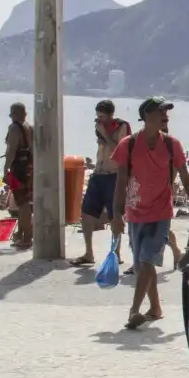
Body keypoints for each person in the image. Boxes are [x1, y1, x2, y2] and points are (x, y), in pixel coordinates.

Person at [112, 97, 189, 329]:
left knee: (147, 259)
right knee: (141, 265)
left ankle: (134, 311)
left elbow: (186, 176)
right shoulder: (127, 144)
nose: (166, 115)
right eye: (161, 111)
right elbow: (120, 182)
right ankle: (156, 308)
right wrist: (116, 215)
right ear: (147, 116)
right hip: (135, 212)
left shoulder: (172, 144)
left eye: (166, 111)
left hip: (161, 212)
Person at [71, 100, 132, 267]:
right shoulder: (100, 128)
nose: (98, 119)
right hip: (98, 174)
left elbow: (119, 150)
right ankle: (88, 252)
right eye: (97, 116)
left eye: (101, 116)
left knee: (115, 216)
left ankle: (116, 253)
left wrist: (105, 134)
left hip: (114, 176)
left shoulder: (121, 127)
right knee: (86, 213)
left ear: (109, 114)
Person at [3, 101, 34, 249]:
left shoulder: (14, 128)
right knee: (25, 202)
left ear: (13, 114)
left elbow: (11, 150)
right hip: (28, 168)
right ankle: (22, 234)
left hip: (17, 170)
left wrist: (5, 169)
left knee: (22, 203)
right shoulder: (30, 128)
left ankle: (26, 237)